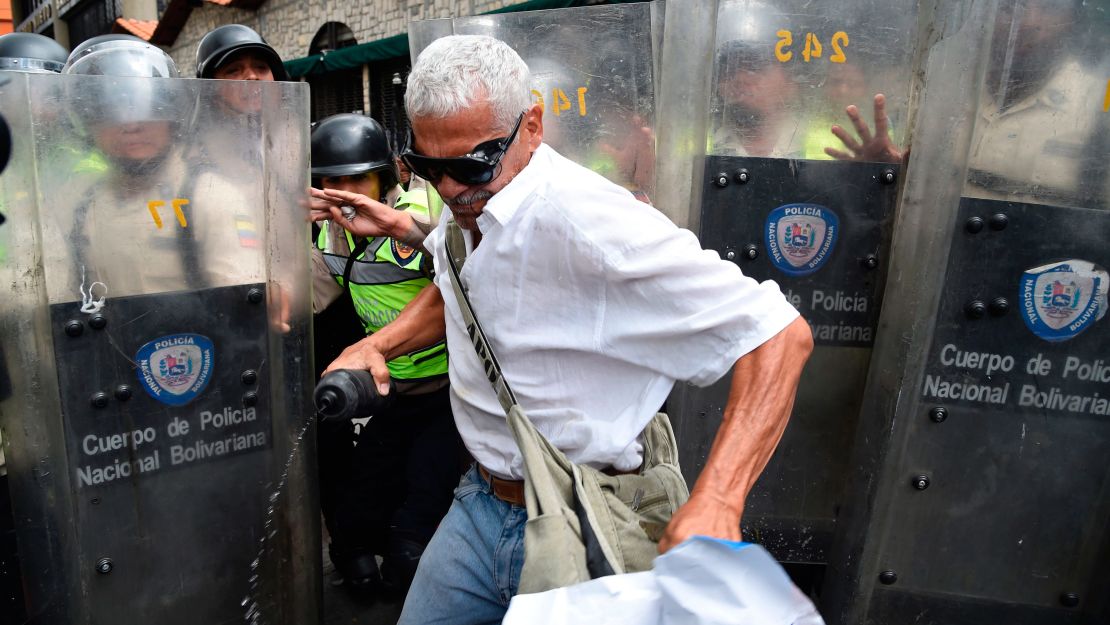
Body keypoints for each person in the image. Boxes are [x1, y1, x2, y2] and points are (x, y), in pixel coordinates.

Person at [311, 34, 812, 623]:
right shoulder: (469, 193)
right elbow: (457, 282)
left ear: (532, 125)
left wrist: (719, 500)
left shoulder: (592, 224)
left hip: (586, 518)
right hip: (477, 505)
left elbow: (777, 334)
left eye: (468, 164)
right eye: (428, 166)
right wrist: (375, 343)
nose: (448, 188)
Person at [308, 113, 460, 596]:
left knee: (411, 541)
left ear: (386, 176)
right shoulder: (325, 234)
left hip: (450, 396)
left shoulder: (417, 211)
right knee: (352, 530)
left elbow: (466, 257)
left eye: (358, 178)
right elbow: (299, 301)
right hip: (393, 395)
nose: (345, 190)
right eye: (333, 179)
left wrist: (402, 228)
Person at [43, 35, 263, 302]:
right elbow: (53, 301)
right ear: (88, 125)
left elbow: (244, 301)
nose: (131, 125)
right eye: (110, 111)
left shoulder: (210, 195)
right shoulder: (75, 202)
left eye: (148, 108)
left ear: (173, 117)